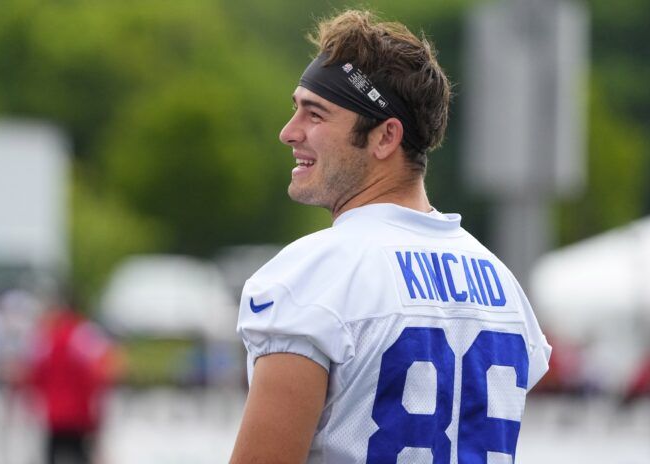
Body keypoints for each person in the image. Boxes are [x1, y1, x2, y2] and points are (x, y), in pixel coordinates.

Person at [231, 9, 551, 464]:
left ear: (385, 137)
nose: (289, 131)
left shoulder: (313, 273)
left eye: (315, 113)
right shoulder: (502, 284)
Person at [27, 296, 118, 464]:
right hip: (80, 413)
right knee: (81, 455)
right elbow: (101, 373)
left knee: (53, 454)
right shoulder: (86, 335)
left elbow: (35, 373)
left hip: (54, 412)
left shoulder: (47, 338)